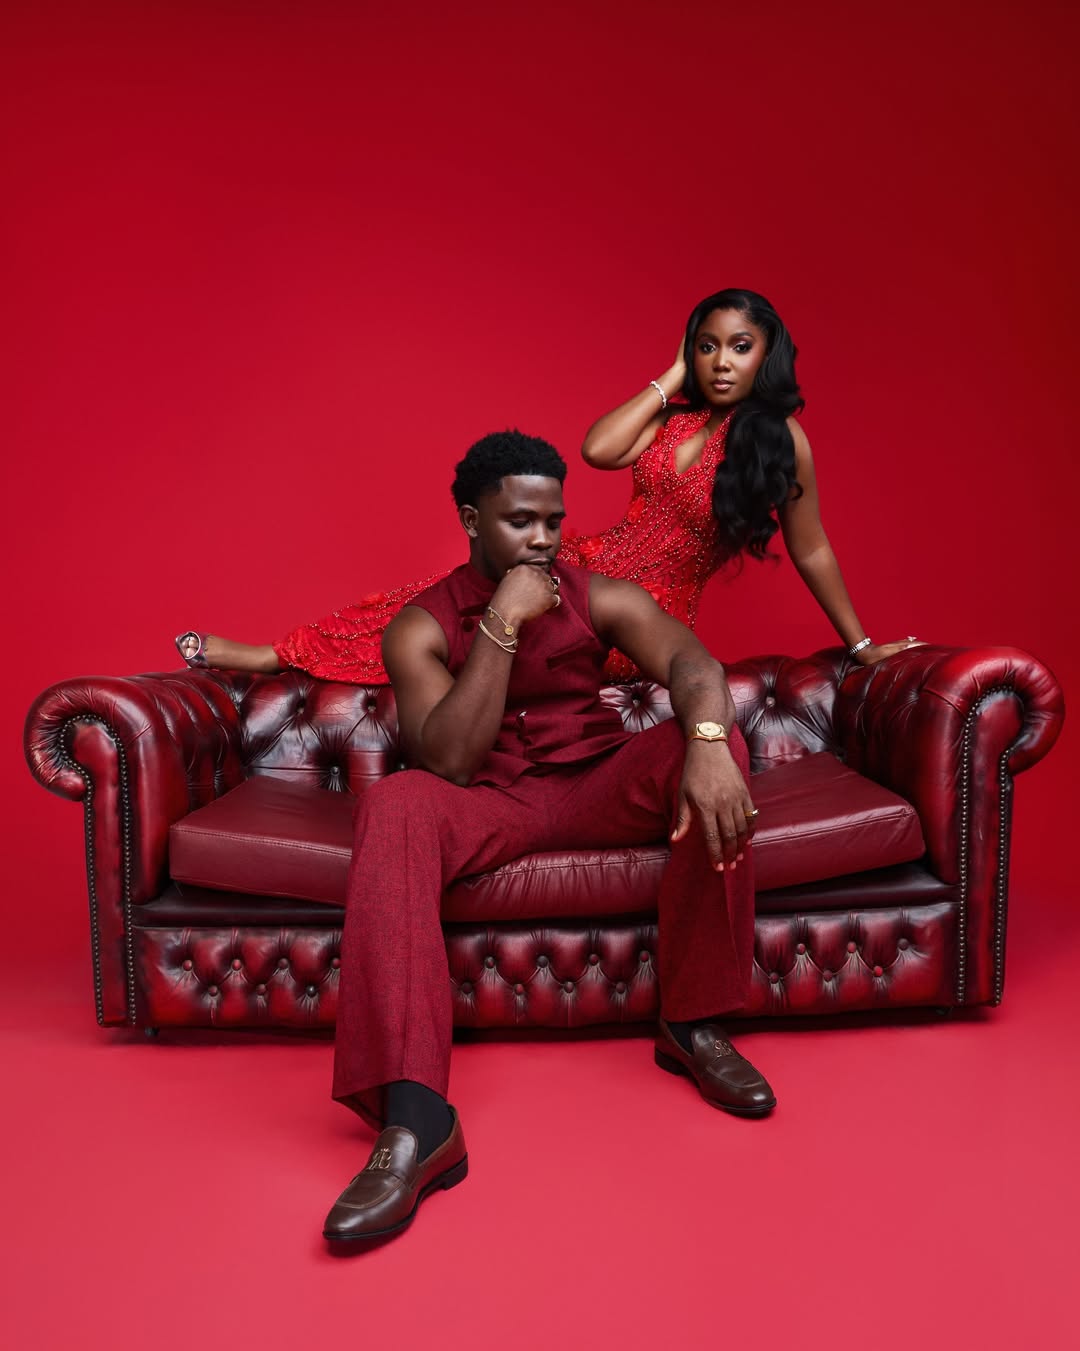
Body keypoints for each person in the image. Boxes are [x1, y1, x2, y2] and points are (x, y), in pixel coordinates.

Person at [323, 430, 772, 1247]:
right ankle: (418, 1122)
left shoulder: (597, 594)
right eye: (519, 520)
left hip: (598, 784)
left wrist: (707, 740)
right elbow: (447, 759)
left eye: (553, 520)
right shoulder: (419, 626)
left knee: (716, 752)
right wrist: (499, 622)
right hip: (493, 799)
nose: (541, 538)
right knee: (396, 806)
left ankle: (695, 1023)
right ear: (471, 519)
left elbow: (695, 664)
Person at [174, 289, 919, 682]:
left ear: (768, 355)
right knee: (438, 598)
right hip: (583, 569)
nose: (723, 361)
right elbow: (597, 449)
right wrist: (671, 376)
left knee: (486, 633)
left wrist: (860, 644)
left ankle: (277, 662)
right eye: (708, 346)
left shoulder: (778, 440)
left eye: (740, 347)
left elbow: (813, 547)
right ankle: (277, 655)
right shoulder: (674, 417)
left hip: (636, 616)